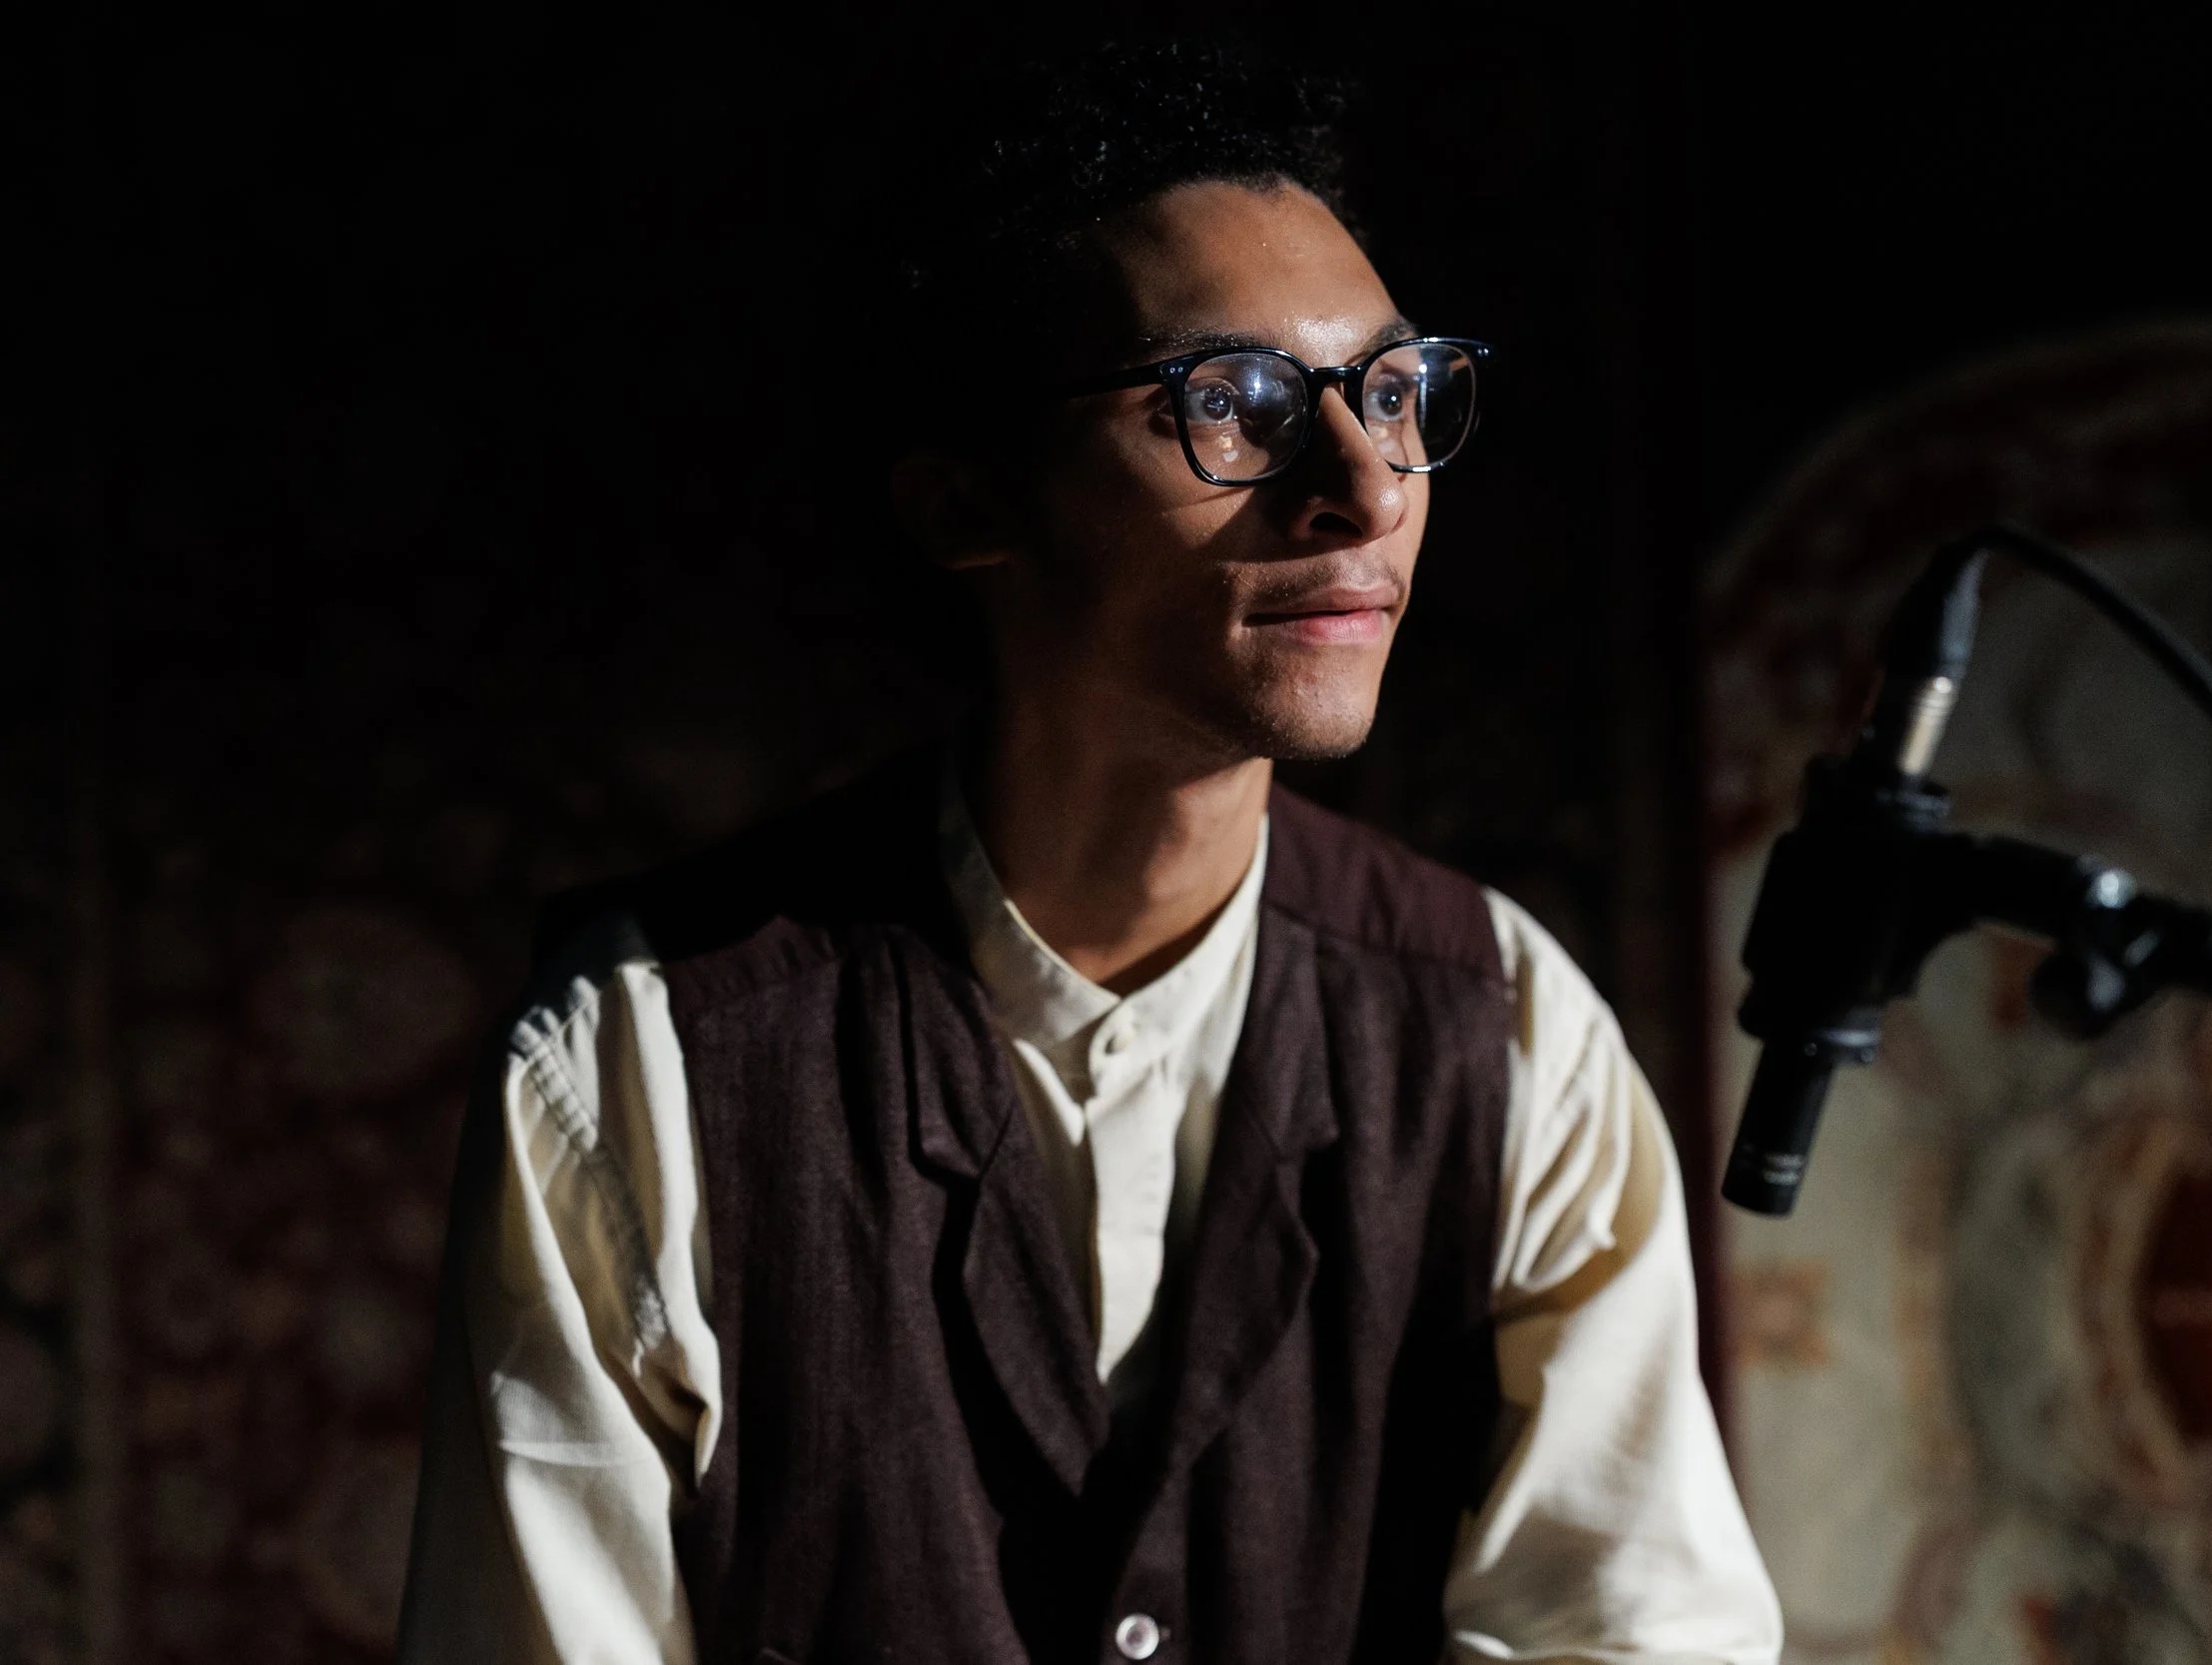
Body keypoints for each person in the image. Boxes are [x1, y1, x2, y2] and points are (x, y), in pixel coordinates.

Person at [398, 39, 1779, 1665]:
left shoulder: (1508, 1035)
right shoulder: (648, 1065)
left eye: (1393, 393)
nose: (1362, 489)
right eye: (1232, 404)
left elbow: (1636, 1632)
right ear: (964, 502)